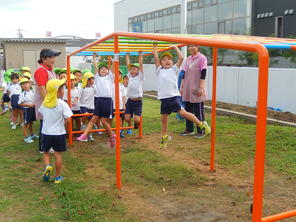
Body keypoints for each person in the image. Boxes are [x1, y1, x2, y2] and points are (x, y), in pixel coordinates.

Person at [152, 44, 211, 148]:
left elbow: (181, 57)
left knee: (184, 113)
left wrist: (175, 47)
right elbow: (156, 58)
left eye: (169, 59)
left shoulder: (174, 69)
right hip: (164, 99)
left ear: (172, 62)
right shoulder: (159, 70)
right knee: (163, 119)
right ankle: (165, 136)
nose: (167, 61)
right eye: (164, 59)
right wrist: (155, 47)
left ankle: (201, 124)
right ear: (161, 63)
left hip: (173, 97)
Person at [77, 55, 115, 148]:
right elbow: (95, 66)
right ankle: (84, 135)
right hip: (98, 100)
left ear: (108, 71)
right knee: (94, 118)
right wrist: (94, 57)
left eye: (105, 69)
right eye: (101, 69)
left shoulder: (110, 77)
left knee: (104, 121)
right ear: (98, 71)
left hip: (107, 101)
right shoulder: (97, 77)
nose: (103, 70)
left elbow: (113, 67)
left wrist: (115, 56)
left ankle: (112, 136)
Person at [39, 78, 73, 184]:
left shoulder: (45, 103)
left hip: (46, 133)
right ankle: (58, 177)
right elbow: (68, 119)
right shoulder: (62, 104)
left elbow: (41, 114)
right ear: (57, 92)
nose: (64, 91)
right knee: (58, 154)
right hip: (59, 133)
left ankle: (48, 166)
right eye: (62, 89)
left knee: (45, 152)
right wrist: (66, 129)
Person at [33, 49, 61, 152]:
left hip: (51, 101)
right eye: (51, 57)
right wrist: (47, 105)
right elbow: (41, 88)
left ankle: (48, 146)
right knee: (44, 124)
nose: (54, 59)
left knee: (49, 123)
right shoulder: (41, 70)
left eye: (54, 57)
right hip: (45, 102)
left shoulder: (50, 69)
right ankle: (43, 147)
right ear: (44, 58)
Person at [180, 44, 208, 138]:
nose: (191, 48)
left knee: (198, 110)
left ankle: (201, 130)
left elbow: (203, 73)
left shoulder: (202, 58)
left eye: (193, 46)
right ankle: (189, 129)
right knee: (188, 110)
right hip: (187, 88)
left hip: (196, 88)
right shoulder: (187, 59)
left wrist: (201, 87)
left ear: (198, 47)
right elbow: (184, 74)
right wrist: (182, 86)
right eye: (190, 46)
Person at [124, 52, 144, 131]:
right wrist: (127, 55)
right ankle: (131, 116)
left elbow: (141, 65)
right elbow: (127, 65)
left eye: (134, 69)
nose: (132, 70)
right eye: (131, 69)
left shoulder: (140, 76)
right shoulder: (130, 76)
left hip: (138, 102)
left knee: (137, 120)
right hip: (130, 101)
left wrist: (140, 55)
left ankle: (137, 122)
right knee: (127, 119)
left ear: (138, 70)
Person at [18, 78, 37, 143]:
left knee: (31, 122)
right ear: (21, 86)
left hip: (33, 109)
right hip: (27, 110)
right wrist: (28, 105)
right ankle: (26, 137)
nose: (25, 85)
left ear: (29, 84)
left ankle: (31, 134)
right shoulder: (22, 94)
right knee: (25, 123)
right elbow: (20, 103)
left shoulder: (33, 91)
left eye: (26, 83)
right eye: (23, 84)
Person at [78, 72, 96, 141]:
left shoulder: (94, 88)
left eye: (93, 79)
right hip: (83, 105)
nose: (93, 81)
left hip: (91, 107)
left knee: (90, 121)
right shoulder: (82, 88)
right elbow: (78, 97)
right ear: (87, 80)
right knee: (86, 114)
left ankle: (89, 135)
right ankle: (83, 124)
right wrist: (76, 101)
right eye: (92, 79)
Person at [111, 69, 126, 138]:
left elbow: (123, 96)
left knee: (119, 119)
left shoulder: (121, 85)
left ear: (121, 76)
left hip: (119, 105)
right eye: (116, 74)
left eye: (119, 74)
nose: (117, 76)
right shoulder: (110, 84)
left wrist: (124, 105)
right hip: (111, 105)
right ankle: (110, 131)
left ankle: (119, 131)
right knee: (110, 119)